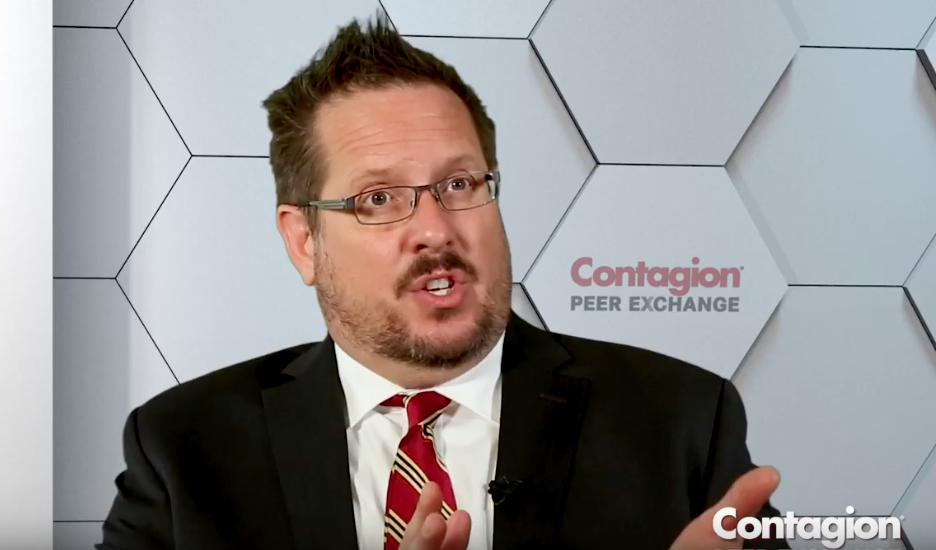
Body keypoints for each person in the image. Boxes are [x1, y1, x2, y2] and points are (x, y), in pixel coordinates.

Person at [96, 15, 787, 550]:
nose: (435, 230)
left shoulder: (680, 423)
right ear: (304, 242)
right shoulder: (183, 448)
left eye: (459, 184)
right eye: (378, 199)